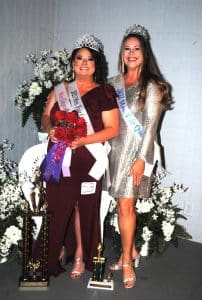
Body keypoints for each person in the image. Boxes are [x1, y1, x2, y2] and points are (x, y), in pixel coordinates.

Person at [33, 34, 119, 278]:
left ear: (96, 64)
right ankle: (50, 256)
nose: (84, 63)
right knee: (56, 207)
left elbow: (112, 129)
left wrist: (82, 140)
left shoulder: (105, 92)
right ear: (72, 63)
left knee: (85, 208)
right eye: (79, 58)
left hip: (88, 161)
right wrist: (50, 129)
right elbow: (46, 116)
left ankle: (81, 254)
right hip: (58, 157)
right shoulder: (60, 90)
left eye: (90, 59)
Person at [108, 24, 172, 288]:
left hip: (135, 154)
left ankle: (127, 262)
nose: (131, 53)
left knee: (126, 206)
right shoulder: (113, 83)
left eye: (136, 48)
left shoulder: (152, 85)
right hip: (113, 151)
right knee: (122, 205)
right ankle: (130, 250)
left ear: (144, 53)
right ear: (122, 53)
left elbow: (150, 126)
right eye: (127, 49)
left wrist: (141, 160)